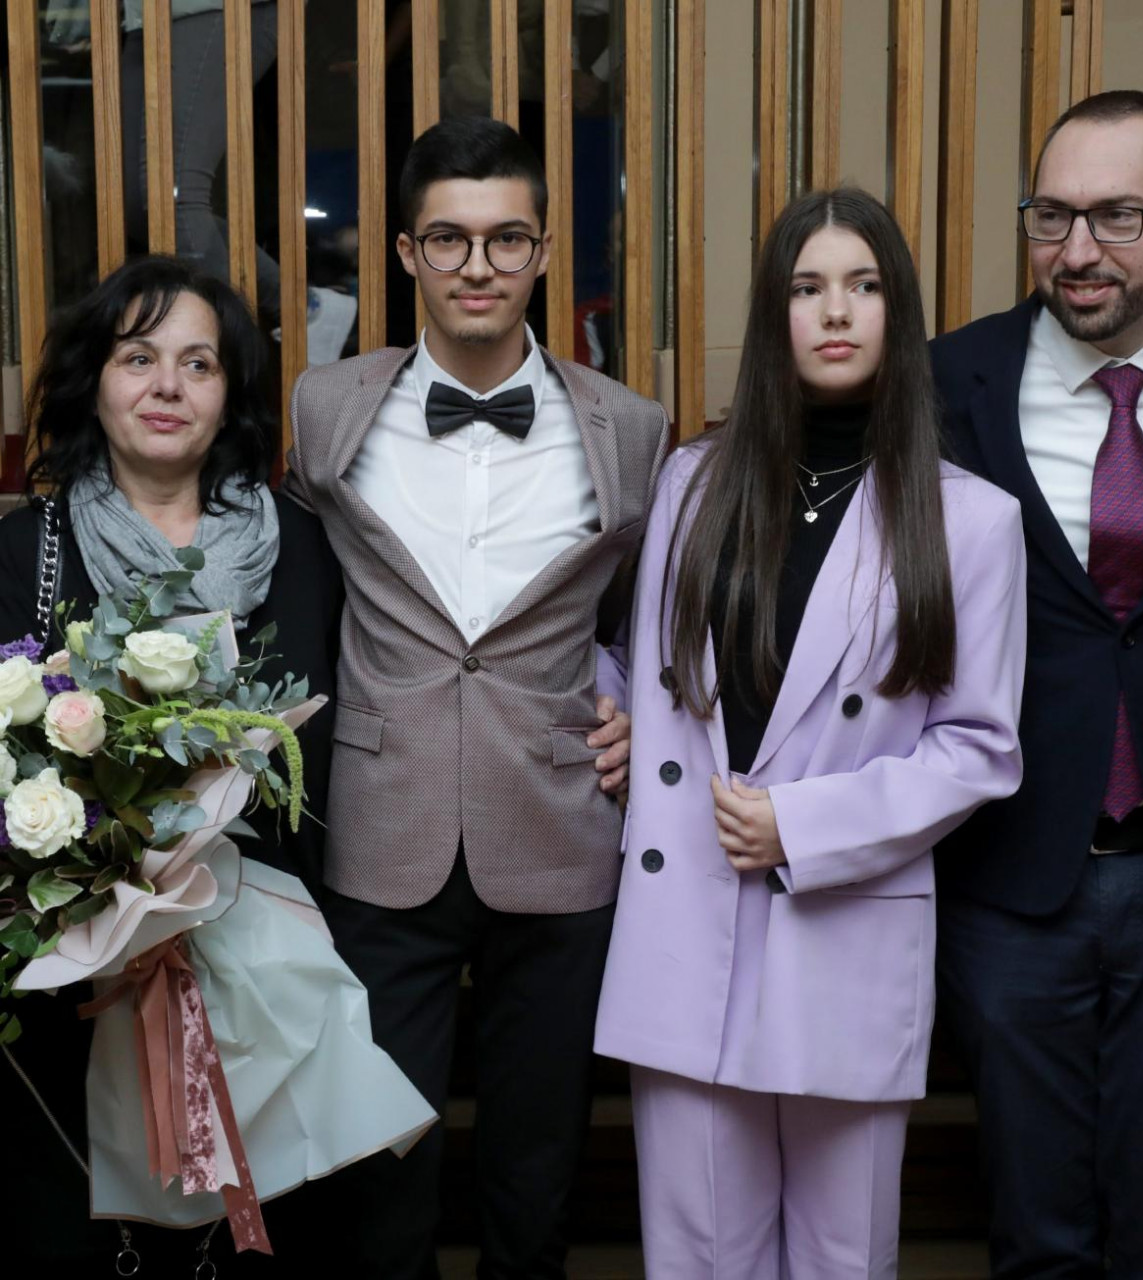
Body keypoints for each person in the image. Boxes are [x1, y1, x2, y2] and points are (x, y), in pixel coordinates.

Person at [593, 187, 1027, 1279]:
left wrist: (801, 824)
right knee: (697, 1256)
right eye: (807, 287)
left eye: (863, 286)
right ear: (773, 313)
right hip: (685, 917)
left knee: (843, 1256)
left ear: (897, 311)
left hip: (842, 924)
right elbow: (640, 659)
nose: (835, 311)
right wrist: (609, 709)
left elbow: (978, 746)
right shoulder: (693, 483)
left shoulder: (971, 519)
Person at [281, 116, 669, 1278]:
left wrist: (629, 709)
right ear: (407, 253)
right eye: (447, 239)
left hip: (557, 829)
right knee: (379, 1177)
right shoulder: (324, 406)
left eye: (506, 239)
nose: (477, 266)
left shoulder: (630, 429)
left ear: (542, 251)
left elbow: (639, 623)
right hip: (381, 828)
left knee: (534, 1174)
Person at [931, 89, 1143, 1278]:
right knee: (1034, 1235)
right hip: (1008, 875)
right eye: (1050, 215)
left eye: (1116, 216)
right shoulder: (946, 383)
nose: (1075, 249)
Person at [0, 255, 343, 1271]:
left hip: (267, 958)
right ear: (95, 379)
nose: (167, 386)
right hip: (80, 966)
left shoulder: (303, 546)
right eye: (138, 357)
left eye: (199, 363)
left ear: (230, 392)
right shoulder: (27, 551)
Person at [119, 1, 357, 363]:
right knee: (140, 208)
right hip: (143, 14)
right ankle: (305, 308)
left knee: (174, 196)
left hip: (210, 7)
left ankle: (222, 358)